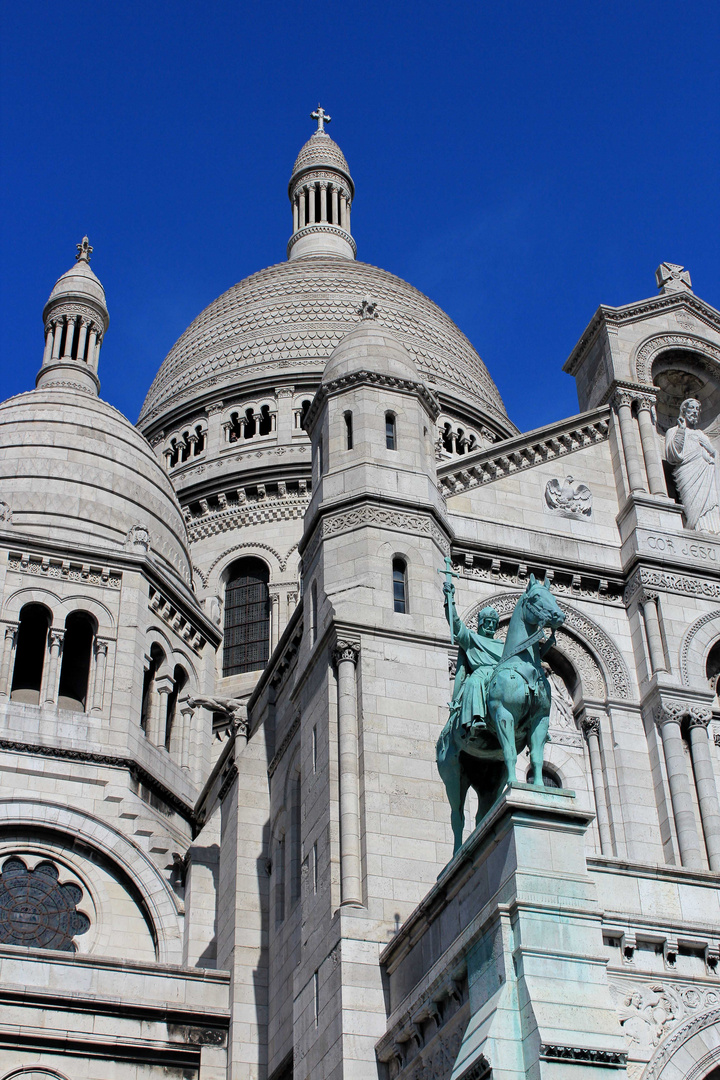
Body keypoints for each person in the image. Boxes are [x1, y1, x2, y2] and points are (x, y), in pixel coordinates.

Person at [444, 582, 503, 736]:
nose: (490, 626)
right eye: (487, 623)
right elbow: (456, 624)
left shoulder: (502, 645)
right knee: (474, 681)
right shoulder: (471, 639)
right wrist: (449, 600)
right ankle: (477, 718)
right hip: (481, 673)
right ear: (481, 624)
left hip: (499, 673)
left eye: (493, 624)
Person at [665, 398, 720, 534]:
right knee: (693, 503)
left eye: (697, 409)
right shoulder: (673, 431)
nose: (695, 412)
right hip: (687, 472)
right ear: (684, 410)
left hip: (705, 471)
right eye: (692, 408)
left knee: (710, 502)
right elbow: (672, 454)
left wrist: (710, 454)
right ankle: (698, 527)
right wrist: (682, 430)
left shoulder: (701, 434)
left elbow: (713, 453)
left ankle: (713, 529)